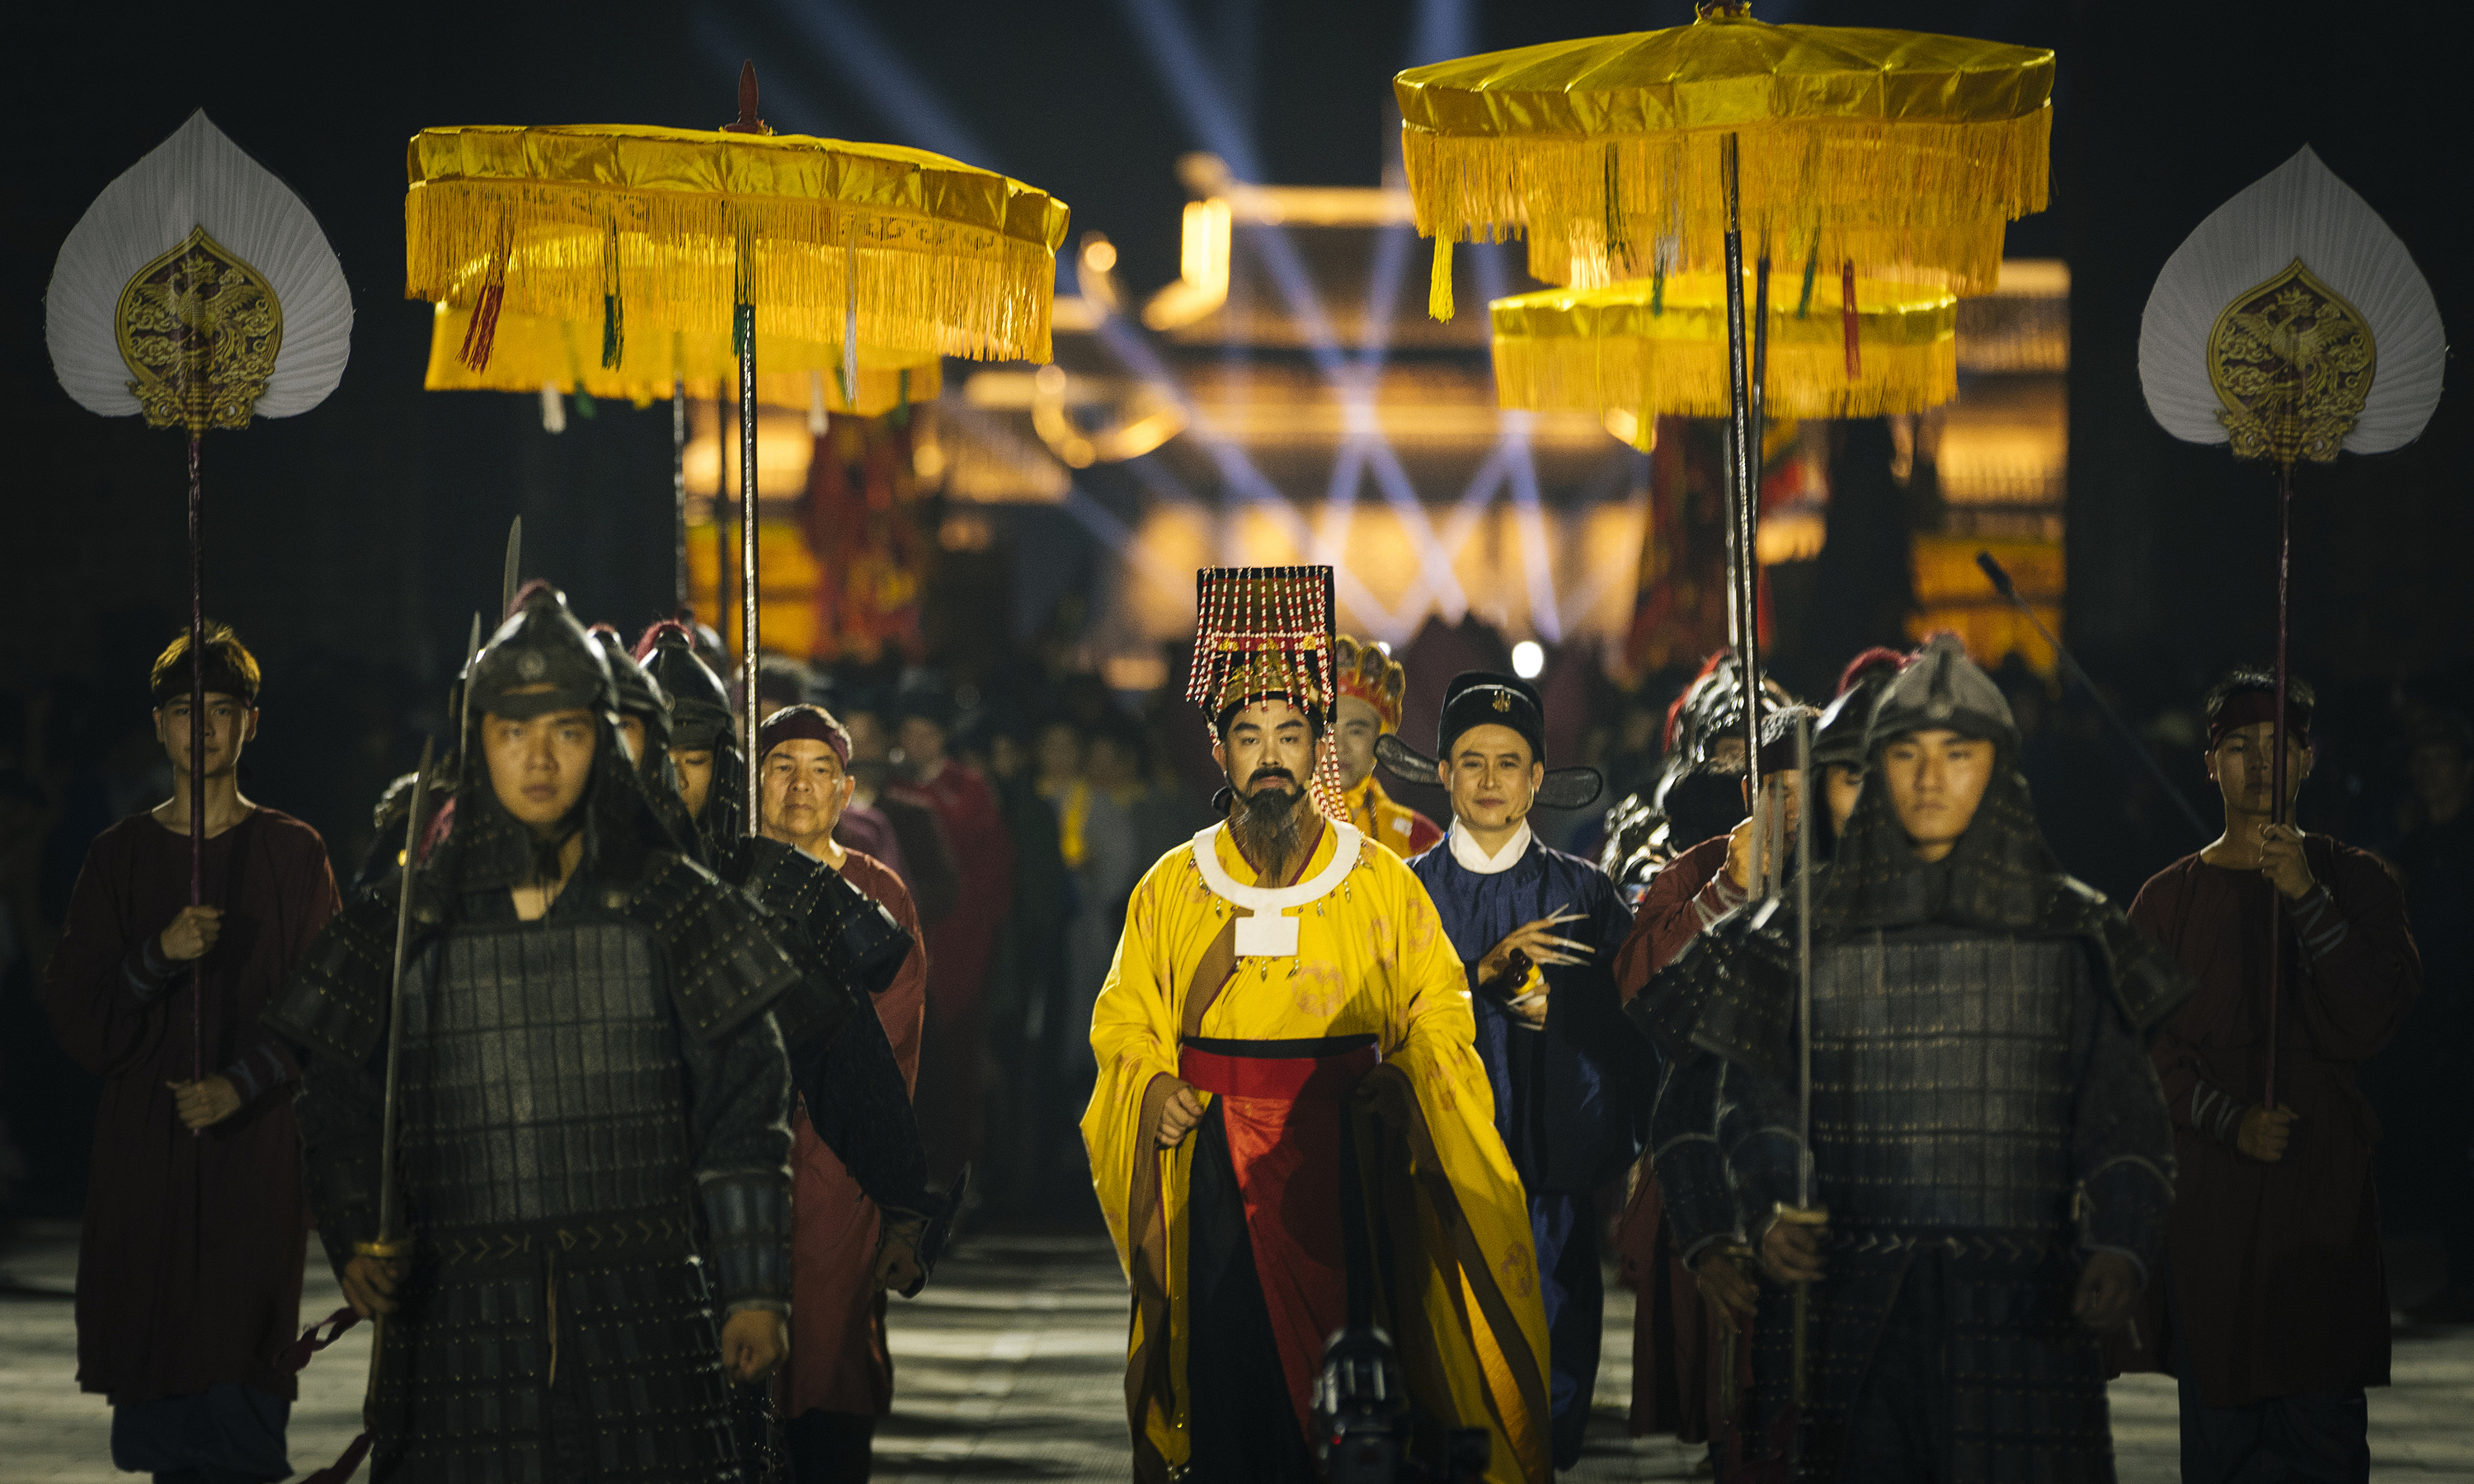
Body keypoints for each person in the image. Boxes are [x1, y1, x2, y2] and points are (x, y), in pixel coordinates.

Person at [270, 586, 798, 1481]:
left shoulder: (678, 908)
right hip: (457, 1322)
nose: (540, 759)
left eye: (568, 731)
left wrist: (754, 1287)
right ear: (478, 740)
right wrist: (359, 1233)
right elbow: (339, 1101)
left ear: (605, 741)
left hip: (645, 1313)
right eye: (514, 732)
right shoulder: (407, 923)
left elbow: (745, 1106)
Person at [1634, 634, 2186, 1482]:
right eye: (1899, 758)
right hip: (1848, 1308)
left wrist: (2124, 1238)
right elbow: (1717, 1097)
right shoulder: (1787, 936)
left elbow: (2124, 1112)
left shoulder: (2067, 932)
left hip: (2022, 1313)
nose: (1928, 781)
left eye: (1957, 755)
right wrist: (1745, 1217)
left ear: (1996, 769)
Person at [1081, 566, 1550, 1484]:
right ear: (1219, 750)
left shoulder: (1379, 881)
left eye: (1290, 736)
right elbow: (1125, 1019)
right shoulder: (1171, 886)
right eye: (1248, 736)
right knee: (1227, 1372)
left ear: (1316, 749)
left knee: (1352, 1386)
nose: (1270, 757)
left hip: (1346, 1157)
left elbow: (1438, 1010)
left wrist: (1408, 1078)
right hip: (1215, 1163)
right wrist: (1154, 1085)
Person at [41, 624, 339, 1484]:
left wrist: (243, 1083)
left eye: (221, 709)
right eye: (183, 710)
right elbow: (77, 1009)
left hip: (252, 1157)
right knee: (164, 1405)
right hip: (149, 1152)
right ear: (159, 724)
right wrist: (157, 956)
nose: (201, 727)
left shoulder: (293, 852)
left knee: (241, 1394)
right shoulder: (119, 856)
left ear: (252, 723)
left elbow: (328, 1005)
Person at [2129, 669, 2420, 1482]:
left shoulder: (2357, 880)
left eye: (2279, 745)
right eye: (2240, 747)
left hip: (2318, 1193)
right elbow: (2139, 1047)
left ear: (2308, 759)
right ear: (2210, 764)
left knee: (2322, 1431)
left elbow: (2373, 1015)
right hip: (2214, 1203)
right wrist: (2227, 1118)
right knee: (2221, 1437)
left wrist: (2305, 898)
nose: (2261, 763)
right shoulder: (2166, 902)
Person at [1403, 670, 1640, 1472]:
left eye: (1510, 762)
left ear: (1538, 776)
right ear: (1443, 772)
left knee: (1548, 1361)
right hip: (1438, 1171)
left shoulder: (1586, 894)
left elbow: (1632, 1030)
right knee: (1445, 1360)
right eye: (1471, 761)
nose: (1490, 780)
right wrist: (1481, 979)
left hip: (1553, 1183)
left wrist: (1559, 1011)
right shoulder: (1404, 894)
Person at [752, 703, 934, 1482]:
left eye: (820, 770)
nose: (800, 785)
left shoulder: (877, 893)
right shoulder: (727, 879)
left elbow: (894, 1039)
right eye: (782, 767)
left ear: (846, 790)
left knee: (829, 1348)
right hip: (743, 1151)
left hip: (841, 1157)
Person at [887, 674, 1014, 1186]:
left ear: (943, 735)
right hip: (906, 939)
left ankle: (957, 1174)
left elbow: (992, 875)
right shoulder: (891, 788)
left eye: (927, 732)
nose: (917, 742)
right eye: (909, 731)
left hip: (962, 942)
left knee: (957, 1062)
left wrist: (972, 940)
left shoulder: (970, 789)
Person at [2372, 710, 2474, 1322]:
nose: (2428, 771)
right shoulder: (2411, 847)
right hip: (2432, 1022)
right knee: (2443, 1148)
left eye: (2441, 760)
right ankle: (2460, 1277)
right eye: (2422, 761)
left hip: (2467, 1016)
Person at [1331, 633, 1444, 858]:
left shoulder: (1419, 838)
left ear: (1381, 738)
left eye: (1356, 731)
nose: (1339, 747)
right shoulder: (1278, 830)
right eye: (1328, 732)